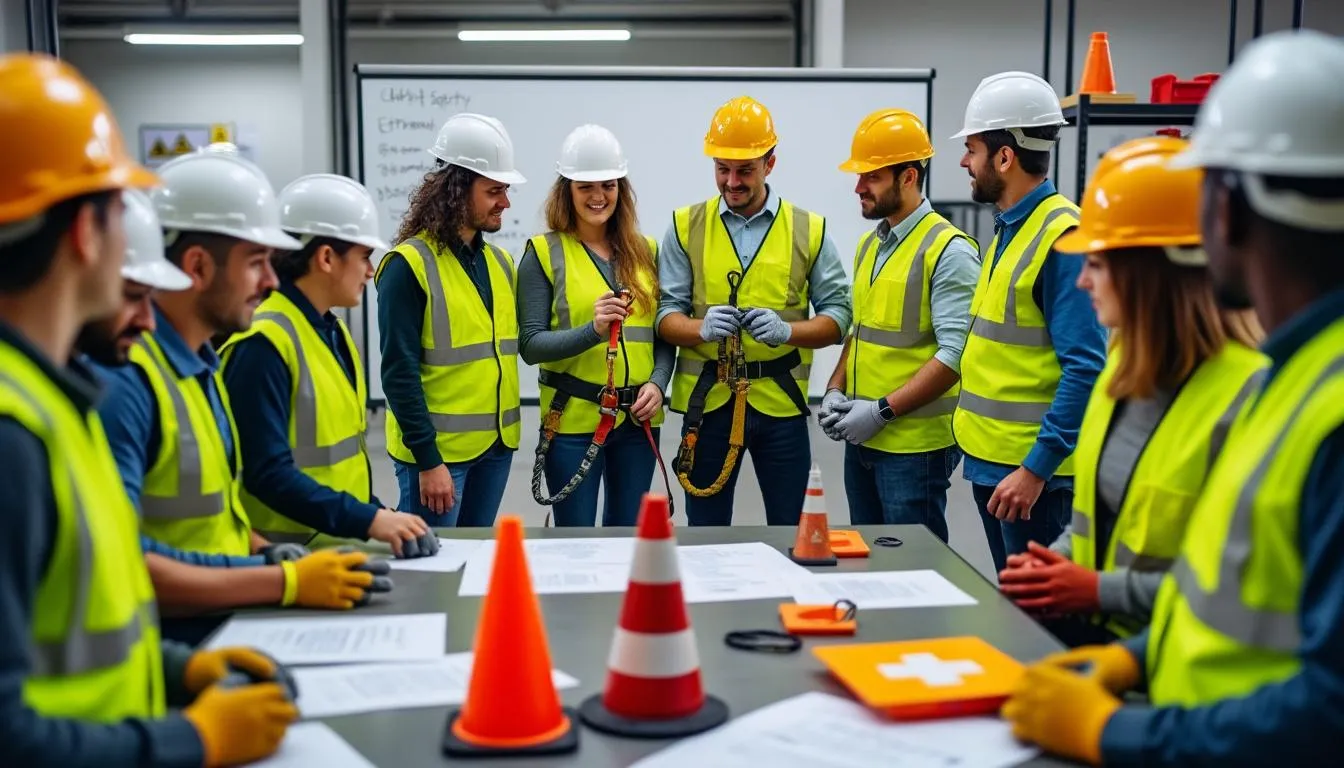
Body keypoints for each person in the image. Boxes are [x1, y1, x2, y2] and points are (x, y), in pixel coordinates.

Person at [1001, 29, 1344, 765]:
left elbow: (1330, 705)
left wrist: (1110, 729)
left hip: (1189, 738)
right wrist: (1135, 660)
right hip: (1170, 710)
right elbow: (1221, 586)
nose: (1087, 278)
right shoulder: (1295, 379)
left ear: (1228, 211)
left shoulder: (1304, 400)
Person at [0, 53, 296, 767]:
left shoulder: (57, 397)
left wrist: (175, 671)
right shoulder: (14, 433)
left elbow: (103, 596)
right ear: (85, 234)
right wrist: (193, 739)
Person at [93, 148, 390, 643]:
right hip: (174, 639)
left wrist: (262, 552)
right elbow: (120, 563)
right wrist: (283, 580)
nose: (272, 280)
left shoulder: (199, 368)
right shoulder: (130, 386)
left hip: (223, 620)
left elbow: (217, 513)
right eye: (256, 262)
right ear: (198, 266)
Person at [996, 135, 1267, 648]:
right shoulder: (1122, 368)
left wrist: (1099, 591)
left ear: (1151, 273)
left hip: (1176, 673)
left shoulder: (1248, 399)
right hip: (1102, 648)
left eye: (1097, 265)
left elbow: (1239, 590)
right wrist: (1056, 562)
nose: (1082, 282)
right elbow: (1098, 521)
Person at [658, 95, 852, 526]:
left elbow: (838, 318)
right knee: (706, 536)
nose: (731, 182)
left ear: (770, 163)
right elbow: (665, 318)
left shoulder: (809, 229)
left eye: (744, 170)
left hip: (780, 406)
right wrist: (699, 328)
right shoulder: (683, 226)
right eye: (721, 169)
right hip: (707, 406)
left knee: (791, 532)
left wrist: (789, 331)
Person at [219, 173, 436, 557]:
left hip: (333, 544)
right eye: (363, 256)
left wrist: (377, 513)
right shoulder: (262, 344)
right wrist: (371, 521)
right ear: (325, 258)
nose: (371, 271)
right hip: (287, 558)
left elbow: (338, 464)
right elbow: (266, 473)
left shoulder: (329, 331)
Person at [949, 71, 1108, 573]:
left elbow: (1086, 367)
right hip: (996, 468)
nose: (963, 162)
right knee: (1018, 613)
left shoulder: (1062, 236)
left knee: (1045, 624)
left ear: (1004, 157)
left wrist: (1036, 468)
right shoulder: (1009, 229)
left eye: (971, 149)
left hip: (1035, 481)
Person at [820, 108, 980, 542]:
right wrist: (836, 389)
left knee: (916, 569)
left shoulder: (948, 251)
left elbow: (956, 354)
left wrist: (881, 410)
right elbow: (860, 332)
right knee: (870, 562)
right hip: (865, 439)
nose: (858, 187)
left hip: (915, 448)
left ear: (908, 177)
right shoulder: (870, 246)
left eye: (870, 177)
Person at [518, 124, 674, 526]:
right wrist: (592, 331)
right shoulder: (543, 253)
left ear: (621, 189)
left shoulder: (647, 252)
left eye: (608, 184)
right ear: (566, 190)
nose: (598, 196)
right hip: (571, 423)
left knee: (626, 540)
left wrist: (658, 382)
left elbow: (662, 337)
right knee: (575, 543)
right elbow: (531, 345)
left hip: (638, 422)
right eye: (585, 186)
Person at [376, 113, 524, 527]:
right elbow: (398, 373)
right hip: (438, 460)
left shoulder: (500, 263)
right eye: (494, 191)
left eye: (506, 191)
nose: (505, 203)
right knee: (432, 577)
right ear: (457, 189)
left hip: (495, 448)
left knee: (475, 569)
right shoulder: (408, 266)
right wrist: (428, 461)